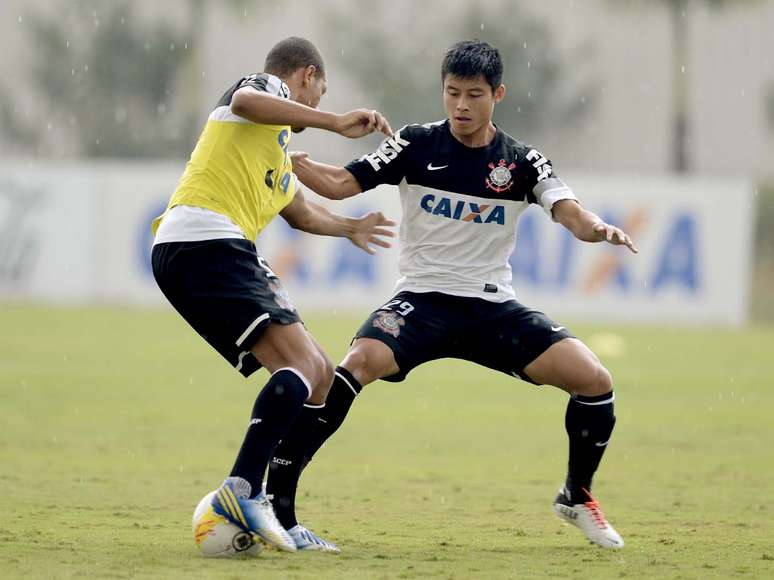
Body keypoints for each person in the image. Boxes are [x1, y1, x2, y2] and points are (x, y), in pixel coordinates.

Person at [266, 40, 638, 550]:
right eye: (452, 93)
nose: (461, 106)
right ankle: (278, 502)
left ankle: (576, 495)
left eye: (474, 95)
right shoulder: (416, 143)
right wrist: (289, 157)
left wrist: (599, 230)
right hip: (421, 301)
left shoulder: (521, 161)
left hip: (491, 307)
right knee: (355, 364)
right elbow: (340, 184)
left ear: (498, 94)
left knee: (595, 380)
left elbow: (570, 211)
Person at [150, 36, 395, 553]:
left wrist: (349, 228)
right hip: (205, 240)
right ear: (305, 76)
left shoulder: (276, 148)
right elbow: (244, 101)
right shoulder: (263, 90)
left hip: (209, 248)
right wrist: (333, 123)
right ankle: (242, 490)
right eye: (319, 95)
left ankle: (279, 512)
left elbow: (301, 213)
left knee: (320, 374)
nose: (316, 106)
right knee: (306, 371)